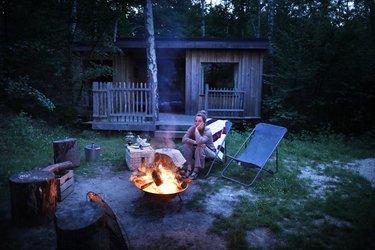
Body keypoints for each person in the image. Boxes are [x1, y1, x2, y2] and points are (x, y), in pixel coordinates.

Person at [182, 110, 216, 179]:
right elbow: (184, 139)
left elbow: (200, 141)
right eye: (196, 121)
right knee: (186, 145)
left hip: (210, 152)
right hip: (198, 149)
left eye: (200, 121)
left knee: (200, 145)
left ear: (204, 122)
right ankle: (189, 167)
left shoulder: (207, 131)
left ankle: (196, 170)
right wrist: (194, 142)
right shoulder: (192, 128)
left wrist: (196, 131)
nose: (197, 123)